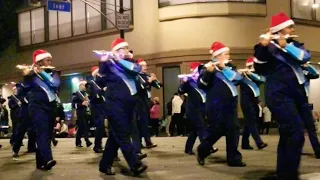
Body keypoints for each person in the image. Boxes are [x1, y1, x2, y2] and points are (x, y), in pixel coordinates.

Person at [254, 12, 313, 179]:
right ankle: (290, 175)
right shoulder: (266, 47)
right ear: (280, 29)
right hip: (279, 96)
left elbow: (305, 57)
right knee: (296, 134)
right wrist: (264, 46)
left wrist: (286, 45)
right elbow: (258, 66)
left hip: (297, 97)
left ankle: (283, 173)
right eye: (289, 27)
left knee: (288, 135)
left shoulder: (294, 45)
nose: (293, 29)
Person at [97, 38, 147, 176]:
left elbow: (137, 70)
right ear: (116, 51)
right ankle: (135, 164)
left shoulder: (129, 63)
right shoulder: (108, 64)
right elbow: (100, 80)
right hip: (114, 104)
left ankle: (104, 164)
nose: (126, 51)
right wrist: (103, 61)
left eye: (126, 48)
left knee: (115, 136)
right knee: (123, 135)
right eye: (123, 49)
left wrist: (121, 59)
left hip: (129, 105)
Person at [197, 41, 245, 167]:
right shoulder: (206, 68)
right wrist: (208, 72)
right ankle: (202, 150)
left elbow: (238, 79)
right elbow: (201, 84)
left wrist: (224, 68)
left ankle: (234, 159)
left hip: (231, 105)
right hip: (216, 106)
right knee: (216, 131)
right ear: (218, 56)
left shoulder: (229, 68)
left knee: (233, 131)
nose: (229, 56)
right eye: (226, 54)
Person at [22, 49, 59, 170]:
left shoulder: (54, 72)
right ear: (39, 62)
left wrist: (42, 73)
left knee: (47, 135)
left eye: (50, 60)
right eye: (47, 60)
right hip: (37, 106)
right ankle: (48, 159)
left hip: (51, 106)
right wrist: (27, 74)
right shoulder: (32, 75)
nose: (49, 62)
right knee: (42, 132)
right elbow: (25, 88)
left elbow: (55, 84)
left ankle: (40, 162)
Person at [178, 62, 218, 155]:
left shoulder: (202, 82)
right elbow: (180, 91)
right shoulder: (189, 82)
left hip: (202, 108)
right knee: (201, 128)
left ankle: (188, 149)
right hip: (193, 110)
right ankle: (208, 147)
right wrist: (184, 82)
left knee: (194, 131)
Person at [239, 57, 268, 150]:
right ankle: (259, 142)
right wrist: (239, 72)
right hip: (246, 101)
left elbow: (262, 80)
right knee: (251, 122)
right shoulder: (242, 77)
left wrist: (250, 73)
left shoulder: (256, 75)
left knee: (249, 122)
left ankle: (244, 143)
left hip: (254, 101)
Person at [72, 80, 93, 148]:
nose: (85, 86)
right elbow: (73, 105)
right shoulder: (77, 94)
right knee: (84, 127)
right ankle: (87, 141)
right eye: (84, 85)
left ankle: (78, 141)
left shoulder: (87, 94)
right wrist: (81, 104)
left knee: (81, 128)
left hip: (87, 112)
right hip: (80, 113)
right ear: (80, 86)